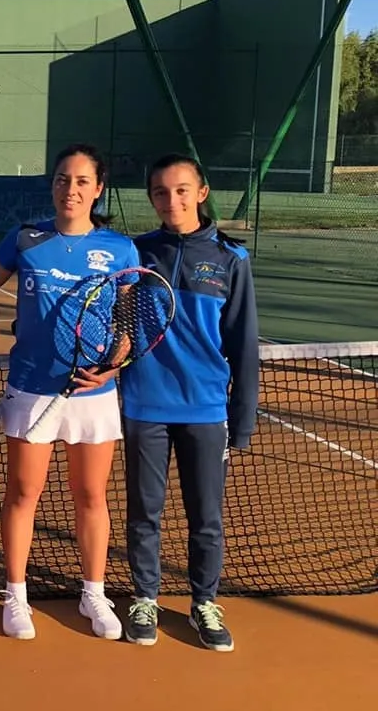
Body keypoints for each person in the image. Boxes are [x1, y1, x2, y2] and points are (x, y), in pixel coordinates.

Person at [0, 143, 139, 642]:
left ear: (98, 189)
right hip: (31, 389)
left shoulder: (120, 250)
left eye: (80, 181)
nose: (69, 189)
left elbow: (128, 323)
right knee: (23, 495)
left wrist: (112, 367)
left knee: (91, 496)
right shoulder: (26, 238)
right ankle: (16, 595)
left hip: (92, 394)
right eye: (61, 179)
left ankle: (92, 593)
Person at [119, 153, 259, 652]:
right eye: (160, 192)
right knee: (145, 513)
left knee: (206, 516)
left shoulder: (231, 259)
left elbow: (243, 345)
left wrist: (241, 422)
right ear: (151, 198)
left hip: (205, 411)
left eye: (181, 190)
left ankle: (204, 601)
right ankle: (145, 598)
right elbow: (119, 327)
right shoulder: (135, 254)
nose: (171, 200)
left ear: (201, 192)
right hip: (144, 407)